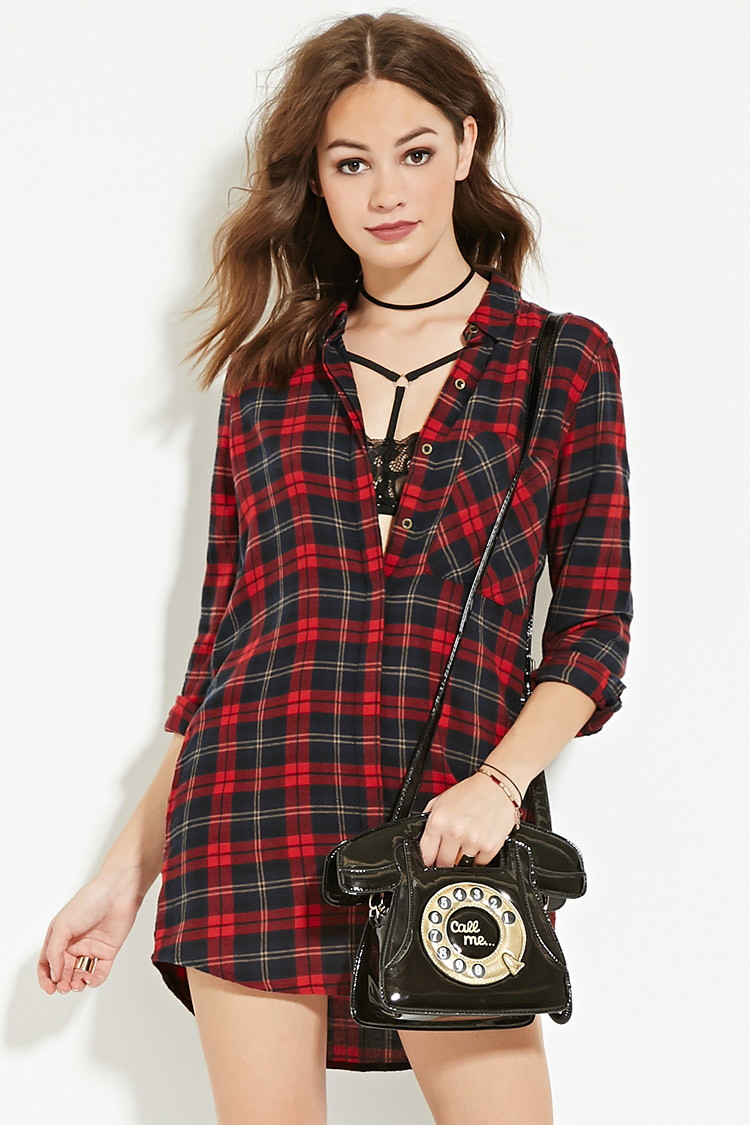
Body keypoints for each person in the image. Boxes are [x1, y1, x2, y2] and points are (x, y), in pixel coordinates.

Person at [37, 11, 631, 1125]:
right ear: (315, 179)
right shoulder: (268, 378)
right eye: (351, 163)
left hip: (451, 824)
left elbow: (594, 631)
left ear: (467, 143)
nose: (386, 191)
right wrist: (122, 876)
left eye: (415, 151)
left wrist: (500, 784)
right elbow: (223, 652)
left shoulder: (559, 360)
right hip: (250, 811)